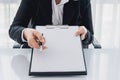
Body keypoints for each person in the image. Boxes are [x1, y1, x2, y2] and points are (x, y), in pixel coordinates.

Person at [9, 0, 94, 49]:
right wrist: (25, 33)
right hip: (39, 52)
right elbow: (14, 28)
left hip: (71, 53)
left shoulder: (83, 1)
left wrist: (85, 35)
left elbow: (90, 34)